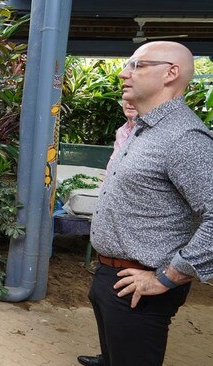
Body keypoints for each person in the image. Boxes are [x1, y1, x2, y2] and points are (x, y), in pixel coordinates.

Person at [78, 41, 213, 366]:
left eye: (137, 65)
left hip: (142, 284)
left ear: (171, 73)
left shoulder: (184, 138)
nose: (124, 73)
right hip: (112, 275)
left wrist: (167, 277)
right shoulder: (144, 129)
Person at [105, 100, 137, 171]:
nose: (130, 102)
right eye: (126, 97)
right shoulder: (121, 131)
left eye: (135, 97)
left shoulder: (154, 134)